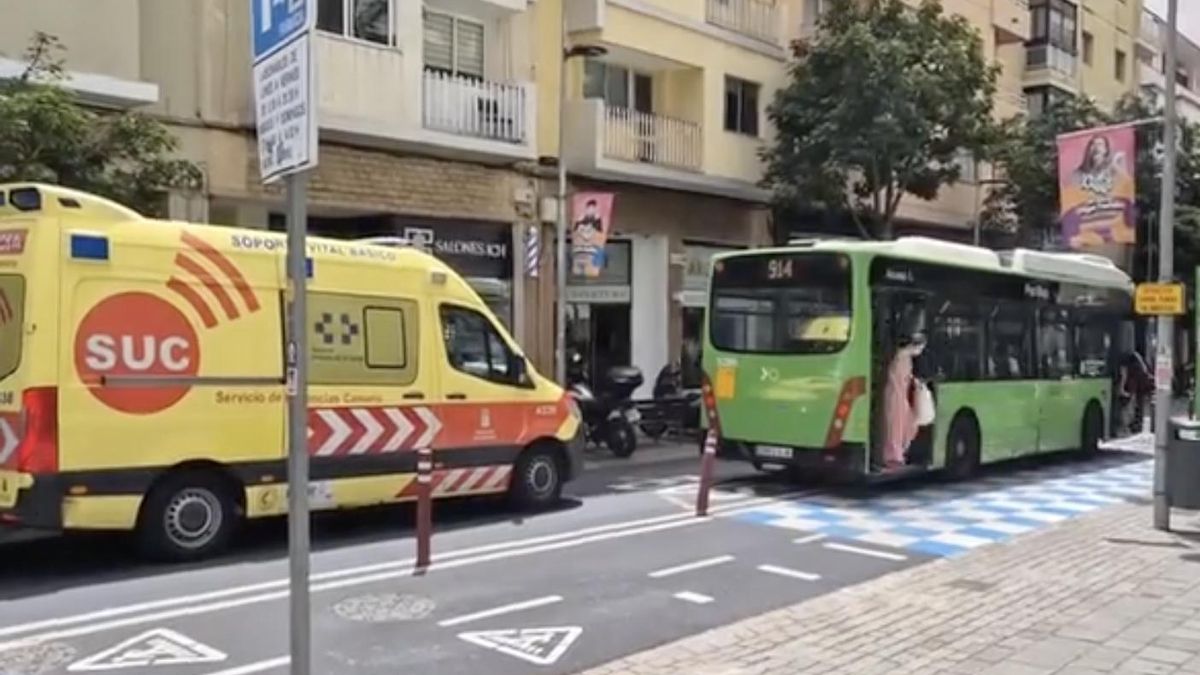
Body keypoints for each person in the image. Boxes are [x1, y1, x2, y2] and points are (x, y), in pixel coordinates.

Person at [882, 333, 927, 471]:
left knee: (901, 424)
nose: (920, 352)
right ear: (914, 346)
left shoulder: (901, 356)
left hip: (898, 395)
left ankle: (897, 453)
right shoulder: (903, 358)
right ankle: (894, 456)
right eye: (920, 348)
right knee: (898, 425)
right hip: (897, 396)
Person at [1116, 349, 1151, 435]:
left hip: (1133, 388)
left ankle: (1128, 427)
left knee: (1127, 408)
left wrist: (1121, 389)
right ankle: (1135, 426)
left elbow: (1124, 376)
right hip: (1138, 388)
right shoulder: (1138, 362)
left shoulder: (1127, 364)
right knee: (1135, 406)